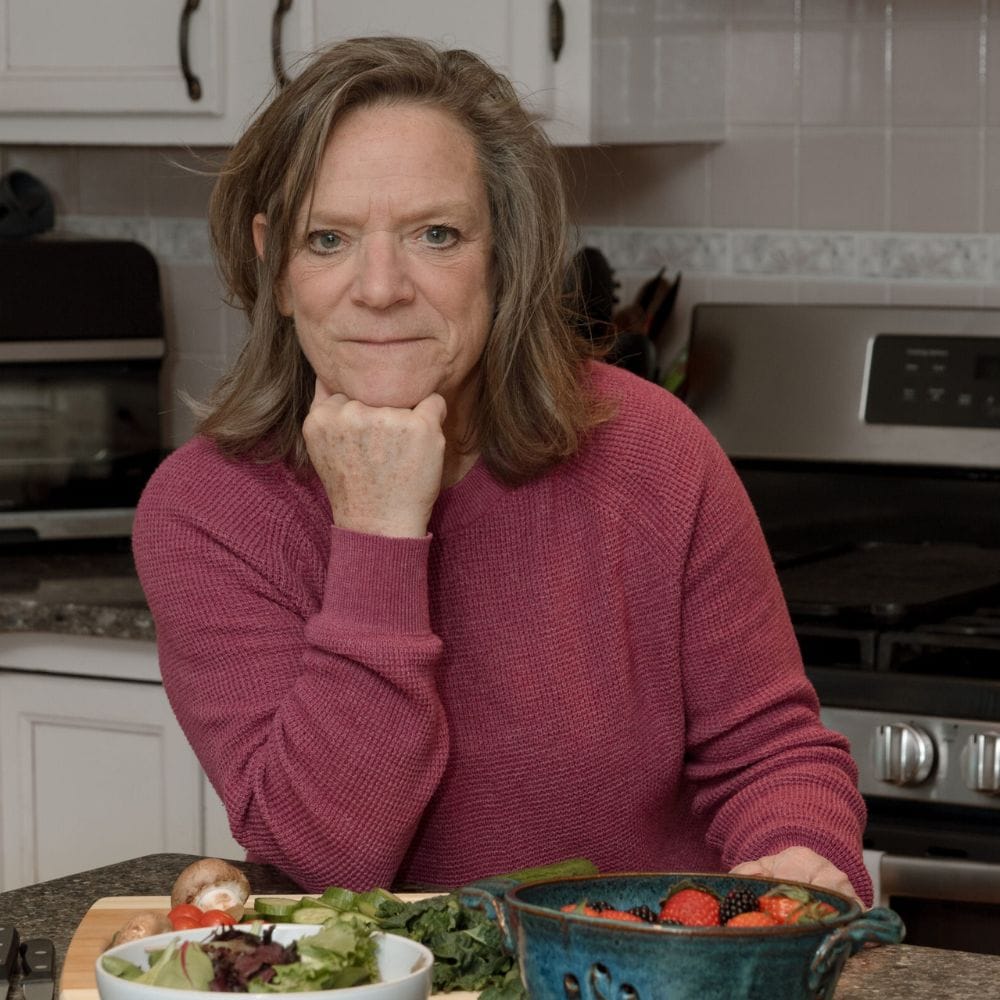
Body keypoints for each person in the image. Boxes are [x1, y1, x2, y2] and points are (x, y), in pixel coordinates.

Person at [132, 35, 873, 904]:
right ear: (276, 266)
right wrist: (376, 532)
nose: (379, 288)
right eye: (327, 239)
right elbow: (330, 859)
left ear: (504, 252)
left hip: (640, 973)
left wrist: (798, 854)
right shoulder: (205, 511)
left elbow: (770, 752)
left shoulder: (649, 447)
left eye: (435, 235)